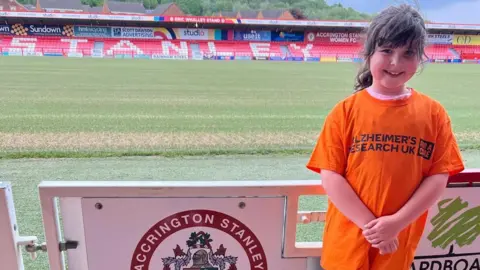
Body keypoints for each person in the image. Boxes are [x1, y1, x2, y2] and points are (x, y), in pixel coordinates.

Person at [306, 4, 465, 270]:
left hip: (396, 248)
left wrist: (396, 224)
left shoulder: (433, 113)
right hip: (345, 246)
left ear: (420, 59)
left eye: (407, 54)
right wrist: (373, 227)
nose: (395, 62)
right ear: (369, 54)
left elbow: (439, 177)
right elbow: (331, 176)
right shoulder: (345, 111)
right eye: (387, 51)